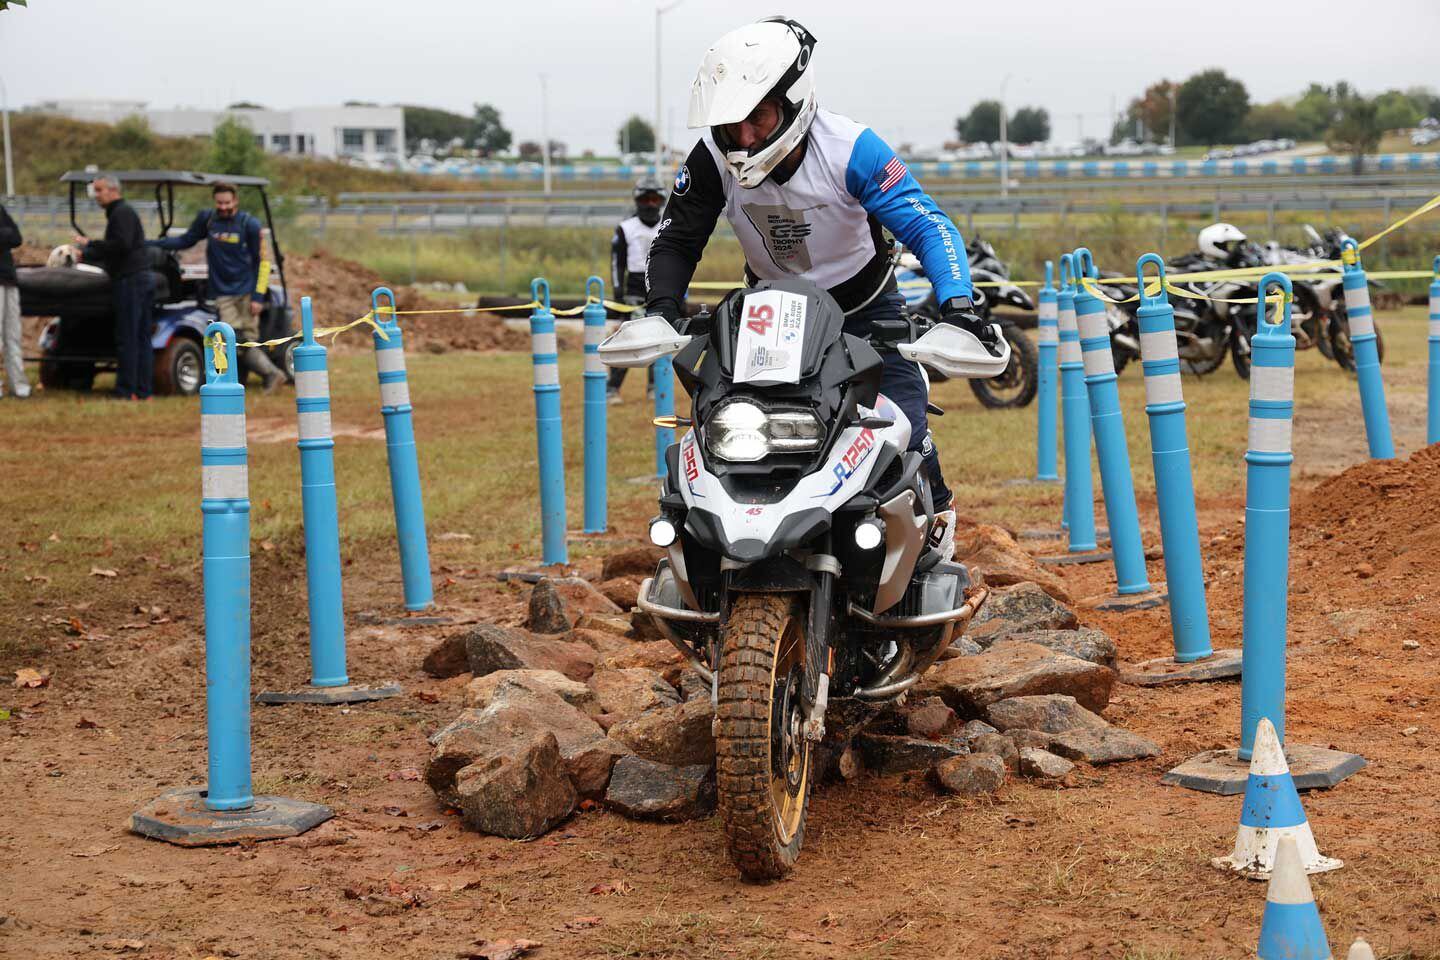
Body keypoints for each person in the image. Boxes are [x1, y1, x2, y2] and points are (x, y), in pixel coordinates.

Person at [644, 16, 995, 557]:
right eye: (731, 123)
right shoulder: (712, 158)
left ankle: (933, 530)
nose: (744, 138)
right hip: (767, 315)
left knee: (906, 428)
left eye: (757, 119)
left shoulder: (852, 148)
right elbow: (676, 239)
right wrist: (660, 308)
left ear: (793, 101)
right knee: (735, 431)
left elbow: (927, 224)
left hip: (866, 309)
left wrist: (958, 308)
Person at [150, 182, 283, 390]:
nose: (223, 207)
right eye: (219, 202)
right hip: (223, 293)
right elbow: (186, 241)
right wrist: (154, 244)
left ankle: (268, 374)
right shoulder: (209, 220)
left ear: (236, 201)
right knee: (233, 338)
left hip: (247, 292)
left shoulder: (249, 224)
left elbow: (262, 263)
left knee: (245, 339)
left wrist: (258, 296)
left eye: (227, 202)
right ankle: (265, 375)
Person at [74, 175, 152, 400]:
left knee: (128, 337)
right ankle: (143, 390)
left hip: (131, 280)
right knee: (141, 337)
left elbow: (121, 245)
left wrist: (89, 248)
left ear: (112, 190)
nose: (96, 195)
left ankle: (127, 391)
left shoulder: (122, 213)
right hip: (141, 278)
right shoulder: (122, 212)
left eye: (99, 190)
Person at [607, 177, 666, 403]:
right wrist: (618, 294)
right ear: (637, 201)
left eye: (655, 199)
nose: (650, 204)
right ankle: (612, 388)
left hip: (660, 287)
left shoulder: (668, 225)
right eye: (645, 199)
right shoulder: (625, 228)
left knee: (659, 339)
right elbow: (616, 263)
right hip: (634, 289)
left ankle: (654, 387)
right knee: (630, 340)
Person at [0, 201, 31, 398]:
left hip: (8, 277)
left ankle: (20, 387)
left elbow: (16, 237)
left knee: (13, 335)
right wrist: (5, 234)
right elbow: (9, 235)